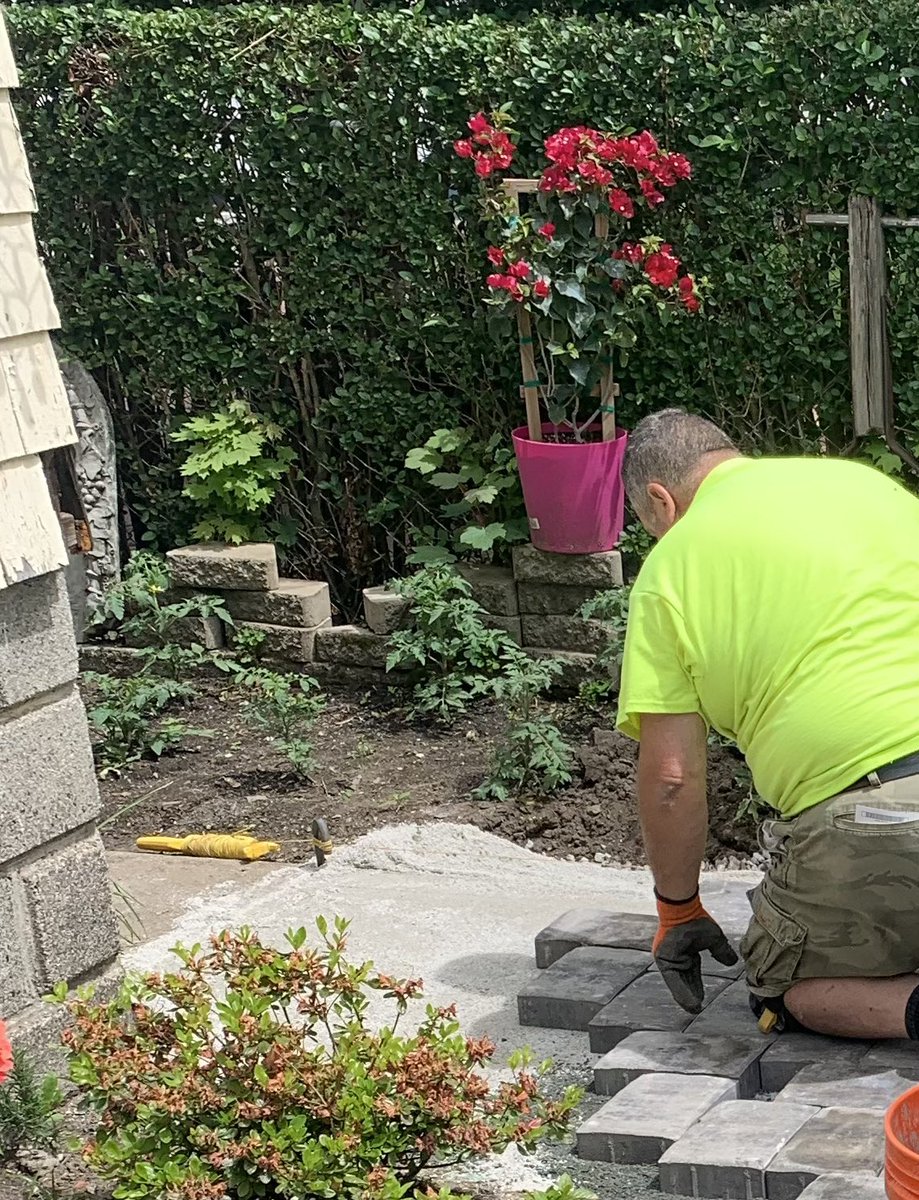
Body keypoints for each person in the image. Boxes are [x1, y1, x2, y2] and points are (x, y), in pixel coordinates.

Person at [616, 407, 919, 1040]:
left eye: (648, 526)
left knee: (787, 986)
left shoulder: (672, 568)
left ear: (660, 500)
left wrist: (678, 910)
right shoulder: (863, 486)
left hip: (880, 814)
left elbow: (672, 777)